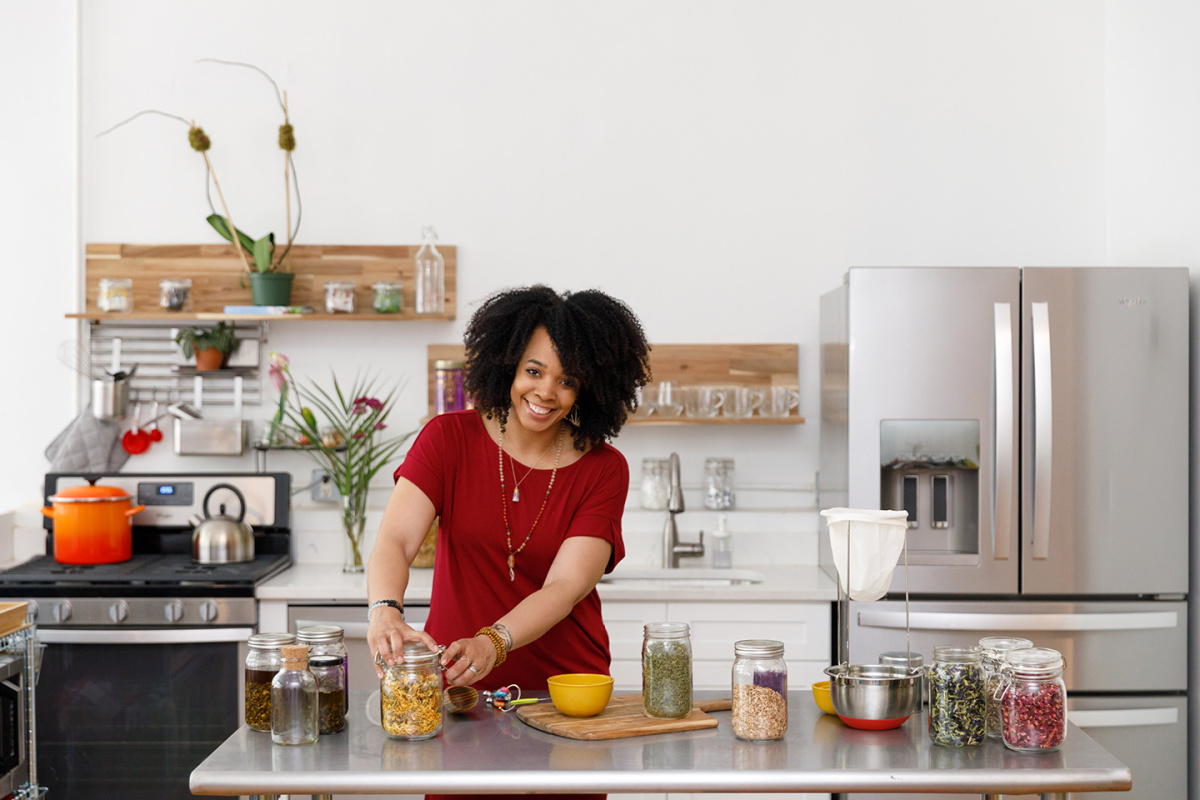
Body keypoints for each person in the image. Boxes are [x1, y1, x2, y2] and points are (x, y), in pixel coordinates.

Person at [367, 283, 651, 701]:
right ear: (509, 365)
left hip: (564, 693)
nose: (545, 393)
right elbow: (396, 538)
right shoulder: (447, 440)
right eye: (534, 371)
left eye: (566, 380)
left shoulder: (604, 470)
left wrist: (492, 642)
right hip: (459, 688)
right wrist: (384, 612)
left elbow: (566, 585)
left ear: (587, 389)